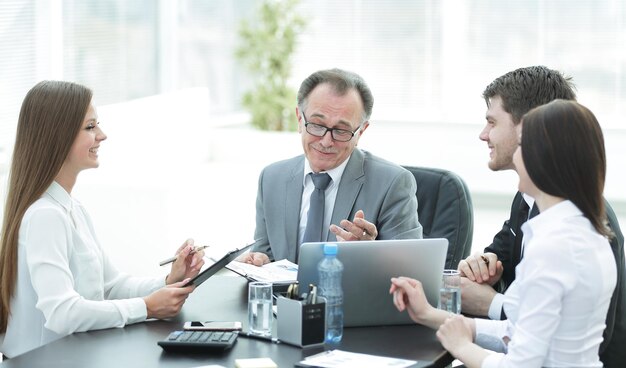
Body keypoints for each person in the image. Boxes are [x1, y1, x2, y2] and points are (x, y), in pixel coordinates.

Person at [391, 99, 617, 367]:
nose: (516, 155)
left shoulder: (555, 247)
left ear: (545, 160)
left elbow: (519, 364)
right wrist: (428, 313)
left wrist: (461, 346)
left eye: (522, 145)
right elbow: (514, 331)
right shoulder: (578, 231)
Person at [0, 81, 204, 358]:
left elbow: (111, 286)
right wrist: (147, 307)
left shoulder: (72, 209)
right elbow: (62, 313)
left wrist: (169, 279)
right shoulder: (45, 216)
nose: (102, 135)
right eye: (90, 127)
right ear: (57, 136)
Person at [458, 66, 625, 367]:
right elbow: (502, 256)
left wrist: (491, 305)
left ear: (530, 129)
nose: (483, 135)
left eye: (492, 122)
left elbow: (593, 342)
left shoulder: (589, 226)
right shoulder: (528, 198)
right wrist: (482, 265)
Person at [240, 68, 422, 265]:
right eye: (317, 125)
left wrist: (368, 255)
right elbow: (265, 252)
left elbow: (410, 271)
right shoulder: (272, 178)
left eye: (341, 130)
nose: (326, 141)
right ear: (300, 119)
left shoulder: (392, 184)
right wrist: (260, 261)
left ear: (361, 131)